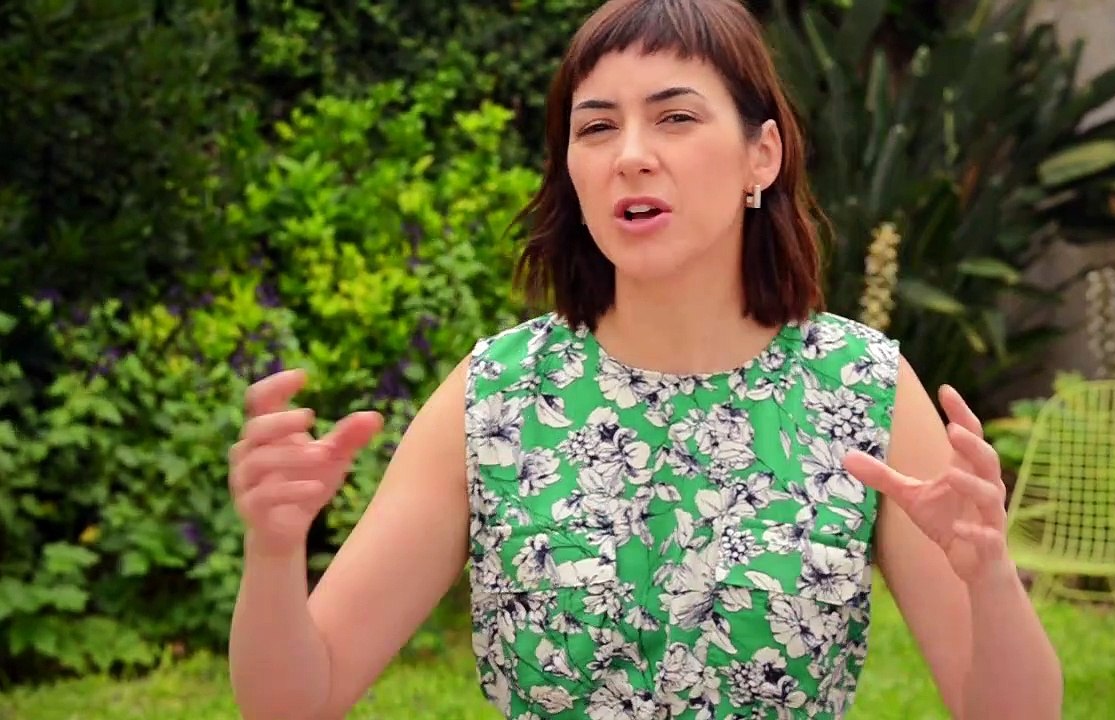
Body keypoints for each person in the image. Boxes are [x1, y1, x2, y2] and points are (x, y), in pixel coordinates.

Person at [226, 0, 1064, 718]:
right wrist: (273, 549)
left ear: (762, 155)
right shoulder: (499, 396)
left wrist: (989, 576)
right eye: (597, 127)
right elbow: (297, 700)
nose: (630, 153)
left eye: (675, 117)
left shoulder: (861, 386)